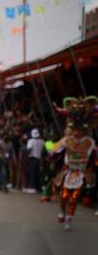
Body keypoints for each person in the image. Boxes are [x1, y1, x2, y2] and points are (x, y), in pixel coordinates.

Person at [52, 97, 97, 231]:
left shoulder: (90, 142)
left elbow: (95, 155)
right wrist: (51, 151)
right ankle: (62, 211)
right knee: (64, 196)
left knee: (74, 198)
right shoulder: (67, 140)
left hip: (81, 173)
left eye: (81, 128)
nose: (77, 131)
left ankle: (69, 221)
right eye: (75, 127)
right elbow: (53, 151)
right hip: (68, 171)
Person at [26, 128, 44, 194]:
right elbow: (48, 149)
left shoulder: (30, 141)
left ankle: (32, 188)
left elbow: (29, 149)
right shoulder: (42, 141)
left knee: (32, 173)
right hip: (40, 159)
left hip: (32, 159)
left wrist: (27, 156)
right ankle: (39, 187)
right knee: (38, 174)